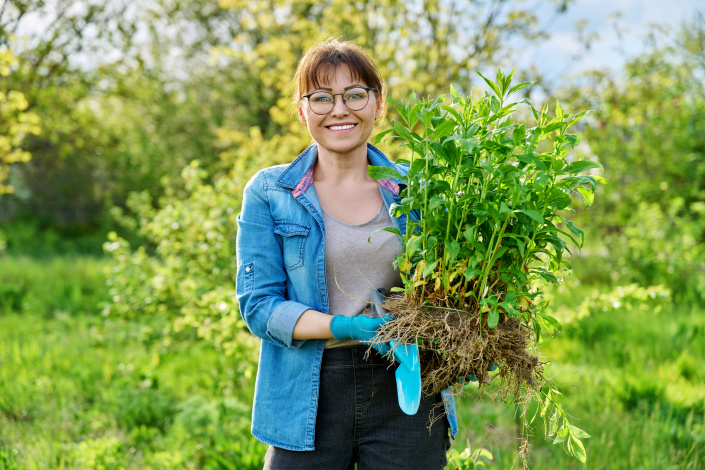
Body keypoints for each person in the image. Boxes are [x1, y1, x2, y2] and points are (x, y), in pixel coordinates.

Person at [236, 38, 458, 470]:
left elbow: (453, 283)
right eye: (321, 97)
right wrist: (346, 325)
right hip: (308, 388)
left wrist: (467, 335)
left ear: (378, 105)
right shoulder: (270, 192)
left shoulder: (420, 189)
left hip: (406, 385)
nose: (340, 109)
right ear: (303, 112)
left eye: (355, 94)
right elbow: (258, 305)